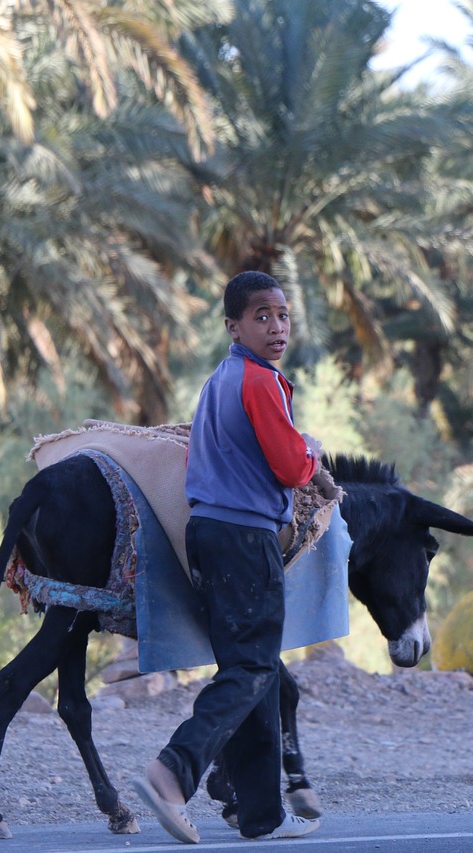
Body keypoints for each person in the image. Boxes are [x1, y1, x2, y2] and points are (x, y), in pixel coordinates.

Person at [131, 270, 323, 843]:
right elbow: (290, 467)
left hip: (211, 534)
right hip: (245, 539)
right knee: (253, 668)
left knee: (254, 667)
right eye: (261, 316)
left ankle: (262, 815)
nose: (276, 326)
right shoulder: (260, 382)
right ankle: (172, 772)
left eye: (283, 315)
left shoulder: (221, 379)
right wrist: (311, 452)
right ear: (233, 326)